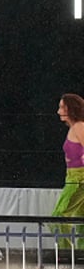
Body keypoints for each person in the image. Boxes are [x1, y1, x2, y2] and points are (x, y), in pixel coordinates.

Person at [51, 93, 84, 249]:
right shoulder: (74, 128)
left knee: (59, 215)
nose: (58, 111)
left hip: (79, 179)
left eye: (61, 107)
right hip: (73, 177)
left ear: (71, 108)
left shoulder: (79, 126)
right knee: (80, 218)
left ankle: (67, 253)